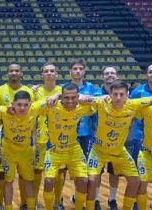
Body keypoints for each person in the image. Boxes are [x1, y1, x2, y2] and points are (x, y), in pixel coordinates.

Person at [85, 81, 152, 210]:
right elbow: (79, 97)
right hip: (99, 149)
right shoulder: (102, 102)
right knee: (92, 180)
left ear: (127, 94)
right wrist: (57, 96)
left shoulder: (133, 104)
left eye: (121, 94)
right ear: (110, 94)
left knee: (135, 181)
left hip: (119, 151)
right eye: (115, 94)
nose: (118, 97)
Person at [41, 83, 95, 210]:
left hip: (73, 149)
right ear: (62, 98)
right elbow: (32, 107)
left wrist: (81, 97)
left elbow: (103, 101)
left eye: (73, 97)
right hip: (54, 150)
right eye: (66, 98)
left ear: (77, 97)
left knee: (83, 180)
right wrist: (56, 95)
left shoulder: (83, 107)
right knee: (49, 181)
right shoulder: (51, 106)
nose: (70, 101)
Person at [0, 63, 34, 210]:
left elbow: (34, 117)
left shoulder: (29, 92)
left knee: (27, 177)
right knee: (4, 176)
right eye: (11, 71)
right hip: (6, 142)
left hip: (25, 143)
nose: (14, 73)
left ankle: (26, 204)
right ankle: (1, 204)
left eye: (17, 70)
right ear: (7, 73)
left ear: (21, 73)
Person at [130, 63, 152, 210]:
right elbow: (130, 113)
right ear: (146, 74)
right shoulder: (137, 92)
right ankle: (137, 202)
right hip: (141, 138)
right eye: (151, 71)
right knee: (139, 175)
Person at [63, 58, 98, 210]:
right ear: (69, 71)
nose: (77, 71)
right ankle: (58, 200)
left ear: (84, 71)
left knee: (81, 171)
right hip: (64, 134)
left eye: (80, 69)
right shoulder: (63, 88)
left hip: (84, 134)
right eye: (75, 69)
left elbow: (97, 103)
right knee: (61, 171)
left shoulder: (91, 88)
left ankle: (78, 198)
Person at [93, 66, 123, 210]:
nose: (109, 75)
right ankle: (96, 199)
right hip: (97, 140)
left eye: (112, 73)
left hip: (117, 140)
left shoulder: (123, 95)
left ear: (117, 76)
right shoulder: (96, 93)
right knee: (96, 172)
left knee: (114, 171)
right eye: (106, 73)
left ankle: (112, 199)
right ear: (102, 76)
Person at [32, 63, 62, 210]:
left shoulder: (63, 91)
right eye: (46, 71)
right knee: (37, 171)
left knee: (59, 172)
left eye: (52, 71)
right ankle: (35, 202)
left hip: (59, 138)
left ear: (56, 74)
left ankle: (57, 202)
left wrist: (58, 95)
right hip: (40, 138)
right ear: (42, 75)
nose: (49, 73)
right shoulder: (35, 92)